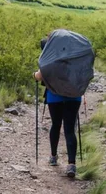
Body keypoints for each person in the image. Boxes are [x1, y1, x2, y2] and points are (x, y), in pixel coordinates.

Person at [33, 37, 82, 178]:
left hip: (54, 96)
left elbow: (39, 76)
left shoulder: (49, 57)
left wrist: (34, 75)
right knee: (69, 129)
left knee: (56, 125)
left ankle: (53, 157)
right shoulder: (74, 56)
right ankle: (71, 164)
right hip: (74, 96)